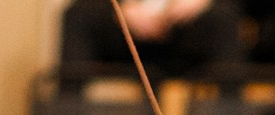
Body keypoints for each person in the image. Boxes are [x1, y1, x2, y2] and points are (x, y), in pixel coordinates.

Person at [58, 0, 247, 84]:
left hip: (189, 28)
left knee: (224, 19)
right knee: (77, 15)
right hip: (126, 30)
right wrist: (122, 9)